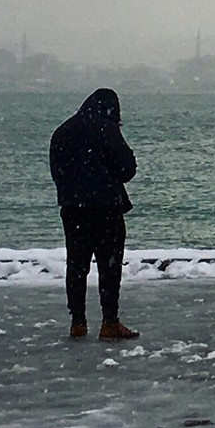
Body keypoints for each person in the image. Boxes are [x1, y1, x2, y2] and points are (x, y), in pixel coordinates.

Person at [48, 88, 139, 340]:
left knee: (77, 265)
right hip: (106, 209)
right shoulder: (106, 129)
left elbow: (56, 173)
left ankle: (77, 322)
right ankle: (109, 322)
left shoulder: (62, 131)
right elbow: (127, 169)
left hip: (72, 209)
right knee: (109, 266)